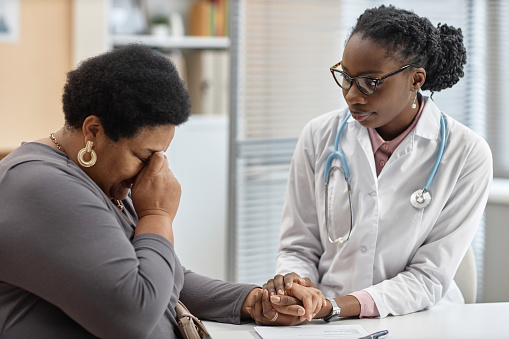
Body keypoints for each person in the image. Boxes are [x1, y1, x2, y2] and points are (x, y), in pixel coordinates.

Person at [0, 44, 324, 338]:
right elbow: (133, 315)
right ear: (94, 131)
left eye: (159, 156)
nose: (153, 172)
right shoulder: (41, 187)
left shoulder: (98, 177)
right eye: (143, 156)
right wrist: (157, 215)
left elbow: (167, 275)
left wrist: (252, 302)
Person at [256, 4, 493, 324]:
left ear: (416, 79)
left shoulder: (466, 154)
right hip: (325, 320)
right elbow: (299, 245)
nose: (352, 95)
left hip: (421, 320)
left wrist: (336, 306)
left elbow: (428, 277)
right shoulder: (318, 136)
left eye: (370, 81)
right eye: (346, 78)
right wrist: (298, 287)